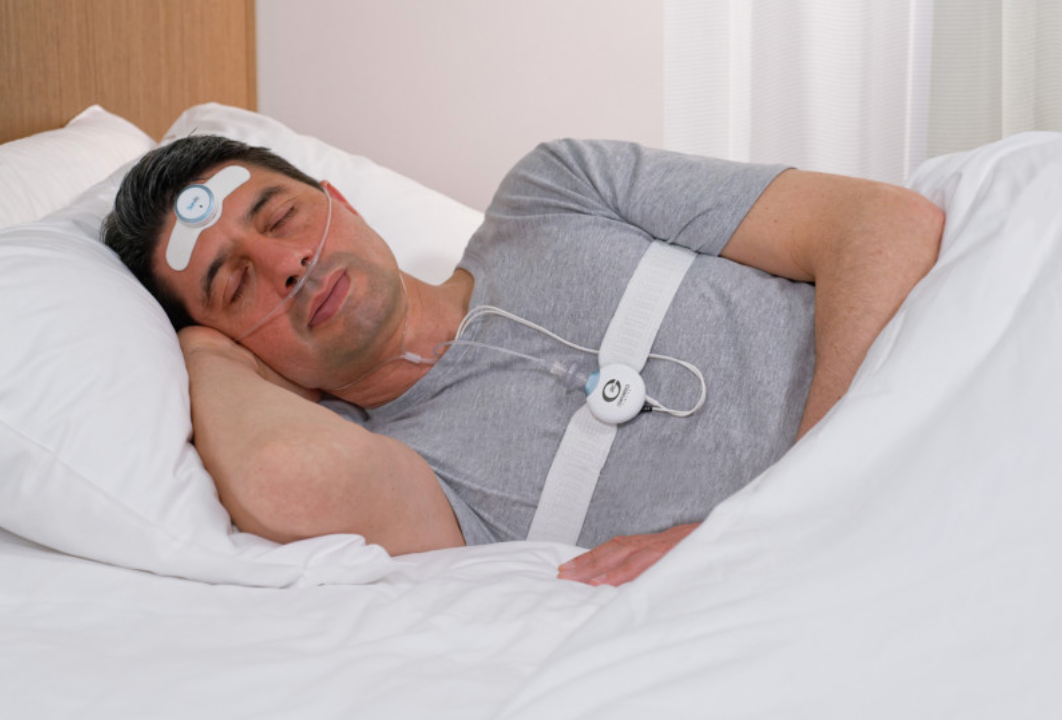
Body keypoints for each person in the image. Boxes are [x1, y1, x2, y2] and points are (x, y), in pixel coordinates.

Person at [103, 135, 944, 586]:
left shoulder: (557, 190)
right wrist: (203, 351)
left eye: (280, 216)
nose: (287, 265)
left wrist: (799, 504)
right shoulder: (413, 474)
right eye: (233, 282)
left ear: (342, 202)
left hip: (951, 391)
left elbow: (885, 224)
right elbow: (284, 473)